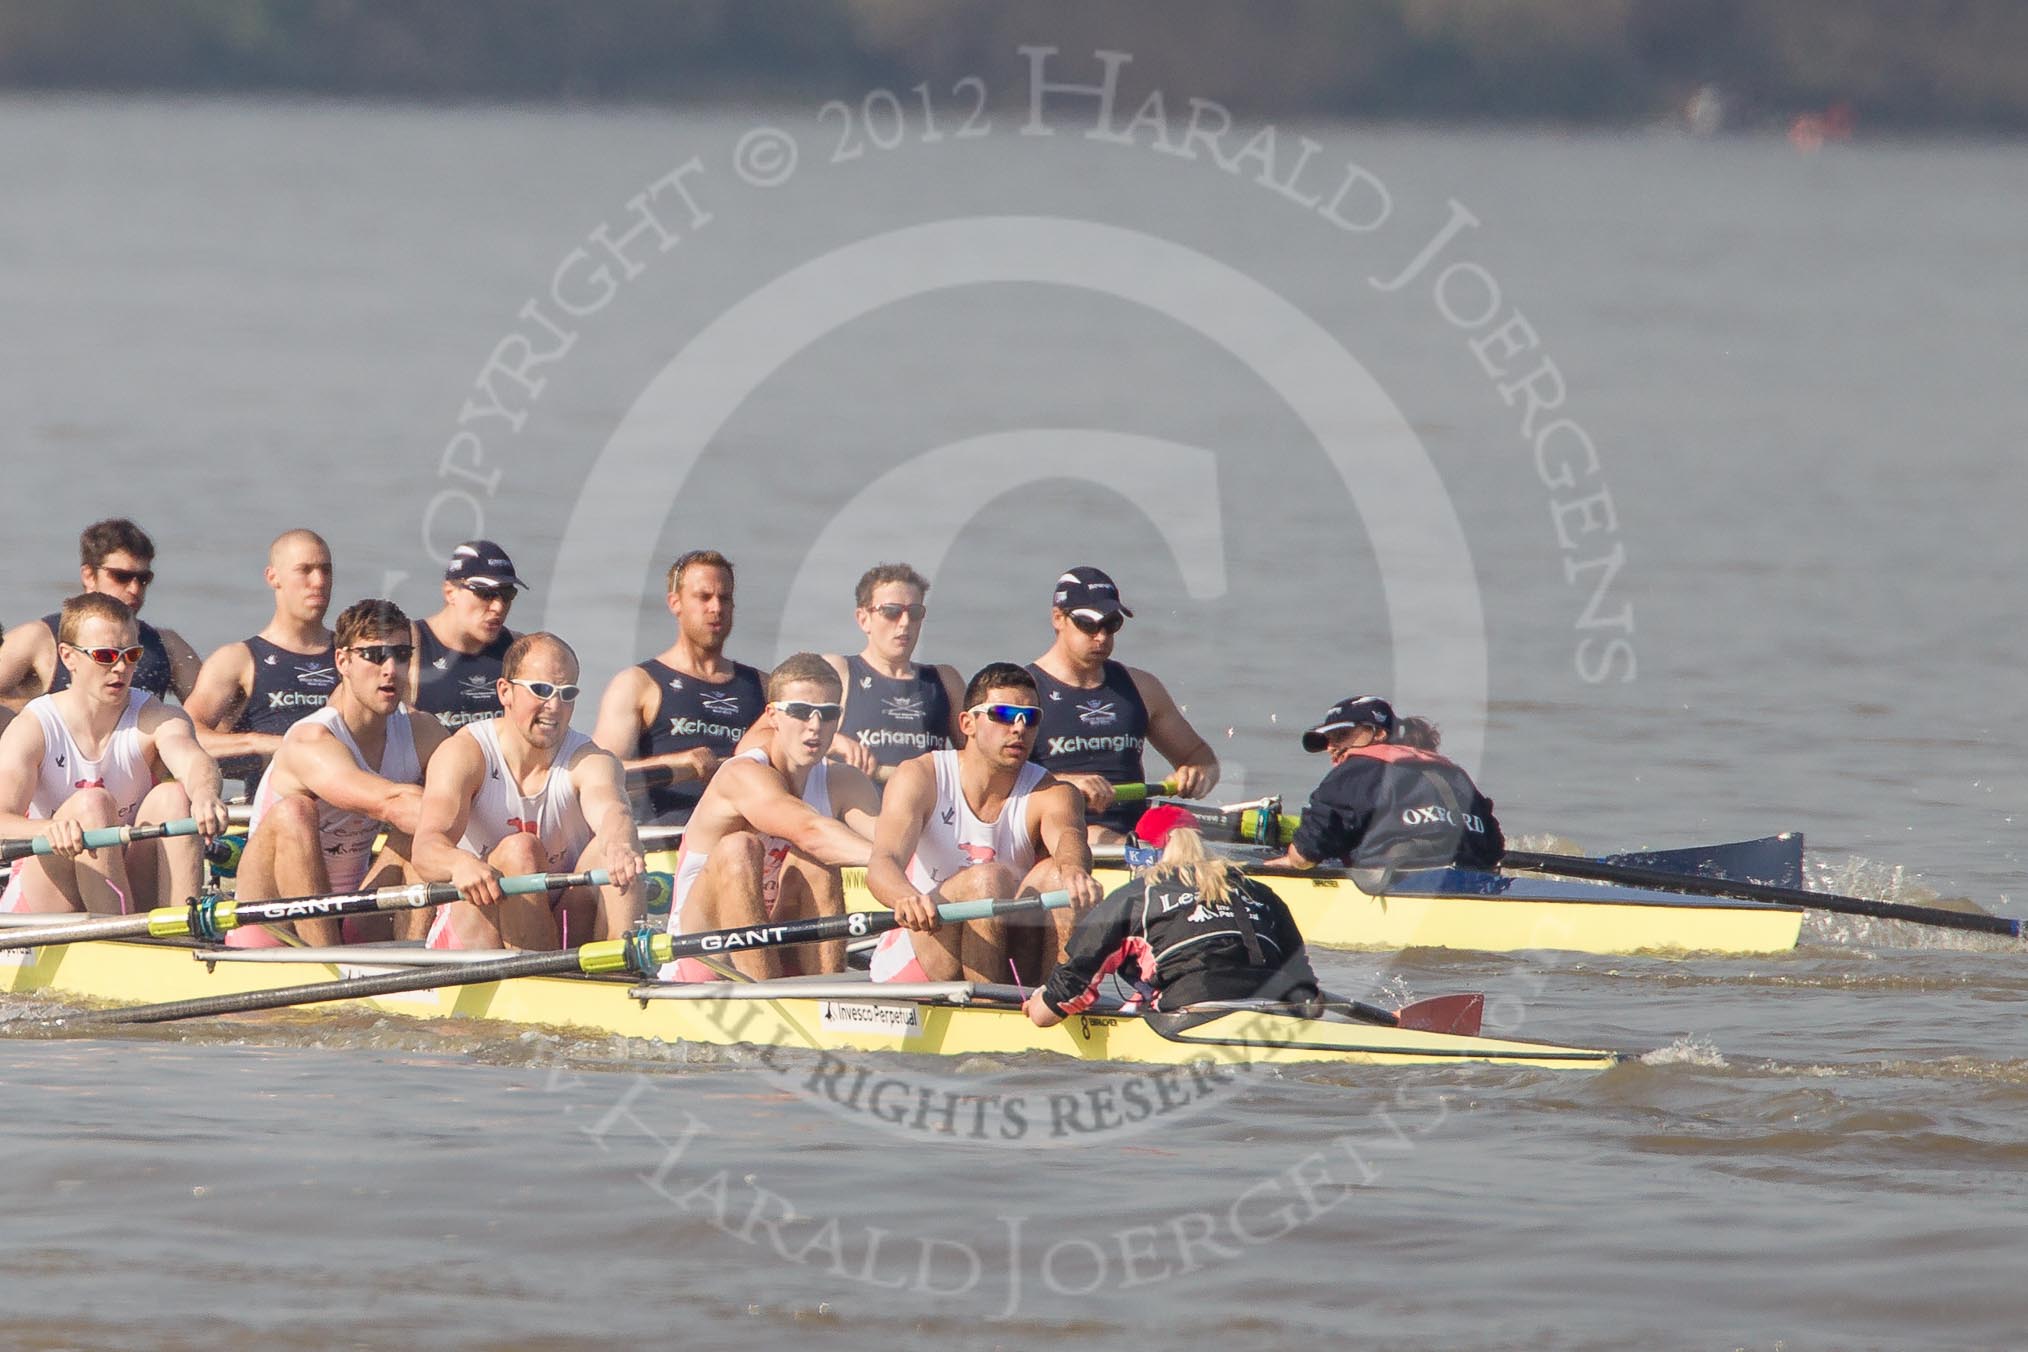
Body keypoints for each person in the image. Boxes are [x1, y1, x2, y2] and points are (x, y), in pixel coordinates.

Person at [227, 599, 451, 948]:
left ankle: (417, 962)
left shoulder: (422, 731)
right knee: (294, 811)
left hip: (352, 910)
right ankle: (325, 959)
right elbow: (391, 803)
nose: (391, 668)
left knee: (417, 834)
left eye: (401, 654)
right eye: (375, 656)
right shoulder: (311, 740)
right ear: (343, 661)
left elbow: (478, 786)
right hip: (270, 920)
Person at [865, 662, 1102, 985]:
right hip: (925, 946)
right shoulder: (921, 776)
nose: (1018, 728)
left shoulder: (1053, 791)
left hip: (1006, 944)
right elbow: (883, 861)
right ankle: (992, 1006)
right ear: (967, 723)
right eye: (1003, 715)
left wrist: (1075, 871)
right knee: (986, 880)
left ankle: (1059, 996)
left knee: (1056, 875)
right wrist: (904, 897)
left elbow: (1069, 837)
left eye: (1030, 717)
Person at [413, 632, 644, 950]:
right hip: (478, 930)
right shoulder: (464, 753)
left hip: (558, 922)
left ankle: (626, 971)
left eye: (567, 693)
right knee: (521, 850)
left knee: (615, 847)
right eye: (541, 690)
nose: (554, 706)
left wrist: (620, 843)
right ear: (505, 692)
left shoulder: (590, 759)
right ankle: (545, 980)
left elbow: (612, 810)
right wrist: (459, 864)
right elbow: (426, 848)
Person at [0, 594, 226, 914]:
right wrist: (47, 829)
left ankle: (182, 929)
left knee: (174, 796)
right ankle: (124, 940)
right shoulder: (34, 726)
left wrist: (205, 795)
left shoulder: (154, 716)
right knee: (92, 804)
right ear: (68, 657)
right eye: (105, 655)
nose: (121, 667)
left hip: (121, 877)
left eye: (131, 654)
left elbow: (191, 758)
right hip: (47, 894)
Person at [660, 652, 880, 981]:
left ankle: (830, 995)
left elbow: (895, 842)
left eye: (828, 714)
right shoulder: (743, 775)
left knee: (816, 863)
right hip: (705, 955)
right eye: (801, 712)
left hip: (777, 938)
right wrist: (886, 860)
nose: (815, 726)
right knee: (740, 848)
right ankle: (765, 995)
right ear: (773, 716)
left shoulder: (846, 782)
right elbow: (811, 832)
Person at [1024, 804, 1320, 1024]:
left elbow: (1069, 988)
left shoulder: (1136, 897)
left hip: (1194, 1011)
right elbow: (1306, 991)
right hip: (1276, 1017)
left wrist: (1041, 1005)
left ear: (1145, 852)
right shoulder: (1263, 894)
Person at [1025, 566, 1220, 843]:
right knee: (1096, 836)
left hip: (1134, 833)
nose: (1101, 637)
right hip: (1063, 830)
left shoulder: (1141, 688)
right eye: (1088, 625)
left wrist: (1197, 775)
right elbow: (995, 781)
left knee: (1185, 837)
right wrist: (1066, 784)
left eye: (1111, 624)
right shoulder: (1024, 691)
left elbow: (1202, 758)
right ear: (1058, 618)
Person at [591, 549, 765, 825]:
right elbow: (598, 777)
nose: (716, 607)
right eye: (703, 597)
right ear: (675, 603)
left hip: (744, 837)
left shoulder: (763, 687)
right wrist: (683, 765)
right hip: (665, 843)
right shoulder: (638, 684)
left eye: (725, 598)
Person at [1267, 696, 1504, 872]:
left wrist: (1289, 861)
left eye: (1340, 736)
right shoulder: (1454, 773)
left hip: (1405, 889)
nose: (1330, 747)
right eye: (1327, 740)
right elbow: (1494, 848)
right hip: (1473, 880)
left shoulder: (1357, 769)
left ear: (1377, 734)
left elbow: (1306, 854)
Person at [184, 529, 338, 785]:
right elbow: (185, 735)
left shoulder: (355, 655)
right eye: (305, 570)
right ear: (273, 577)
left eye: (326, 570)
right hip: (272, 804)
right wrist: (258, 742)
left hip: (344, 802)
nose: (319, 581)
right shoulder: (238, 660)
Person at [0, 518, 201, 708]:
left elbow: (214, 723)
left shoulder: (167, 646)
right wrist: (44, 710)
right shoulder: (38, 637)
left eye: (143, 578)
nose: (134, 589)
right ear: (88, 575)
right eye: (121, 576)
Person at [822, 563, 963, 784]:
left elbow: (979, 757)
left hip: (926, 812)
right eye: (891, 612)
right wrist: (834, 742)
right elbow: (785, 737)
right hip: (857, 811)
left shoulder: (945, 680)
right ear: (863, 619)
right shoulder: (837, 671)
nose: (905, 623)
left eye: (915, 613)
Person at [409, 539, 523, 729]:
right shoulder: (409, 646)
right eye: (486, 593)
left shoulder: (519, 649)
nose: (498, 606)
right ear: (450, 592)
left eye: (507, 594)